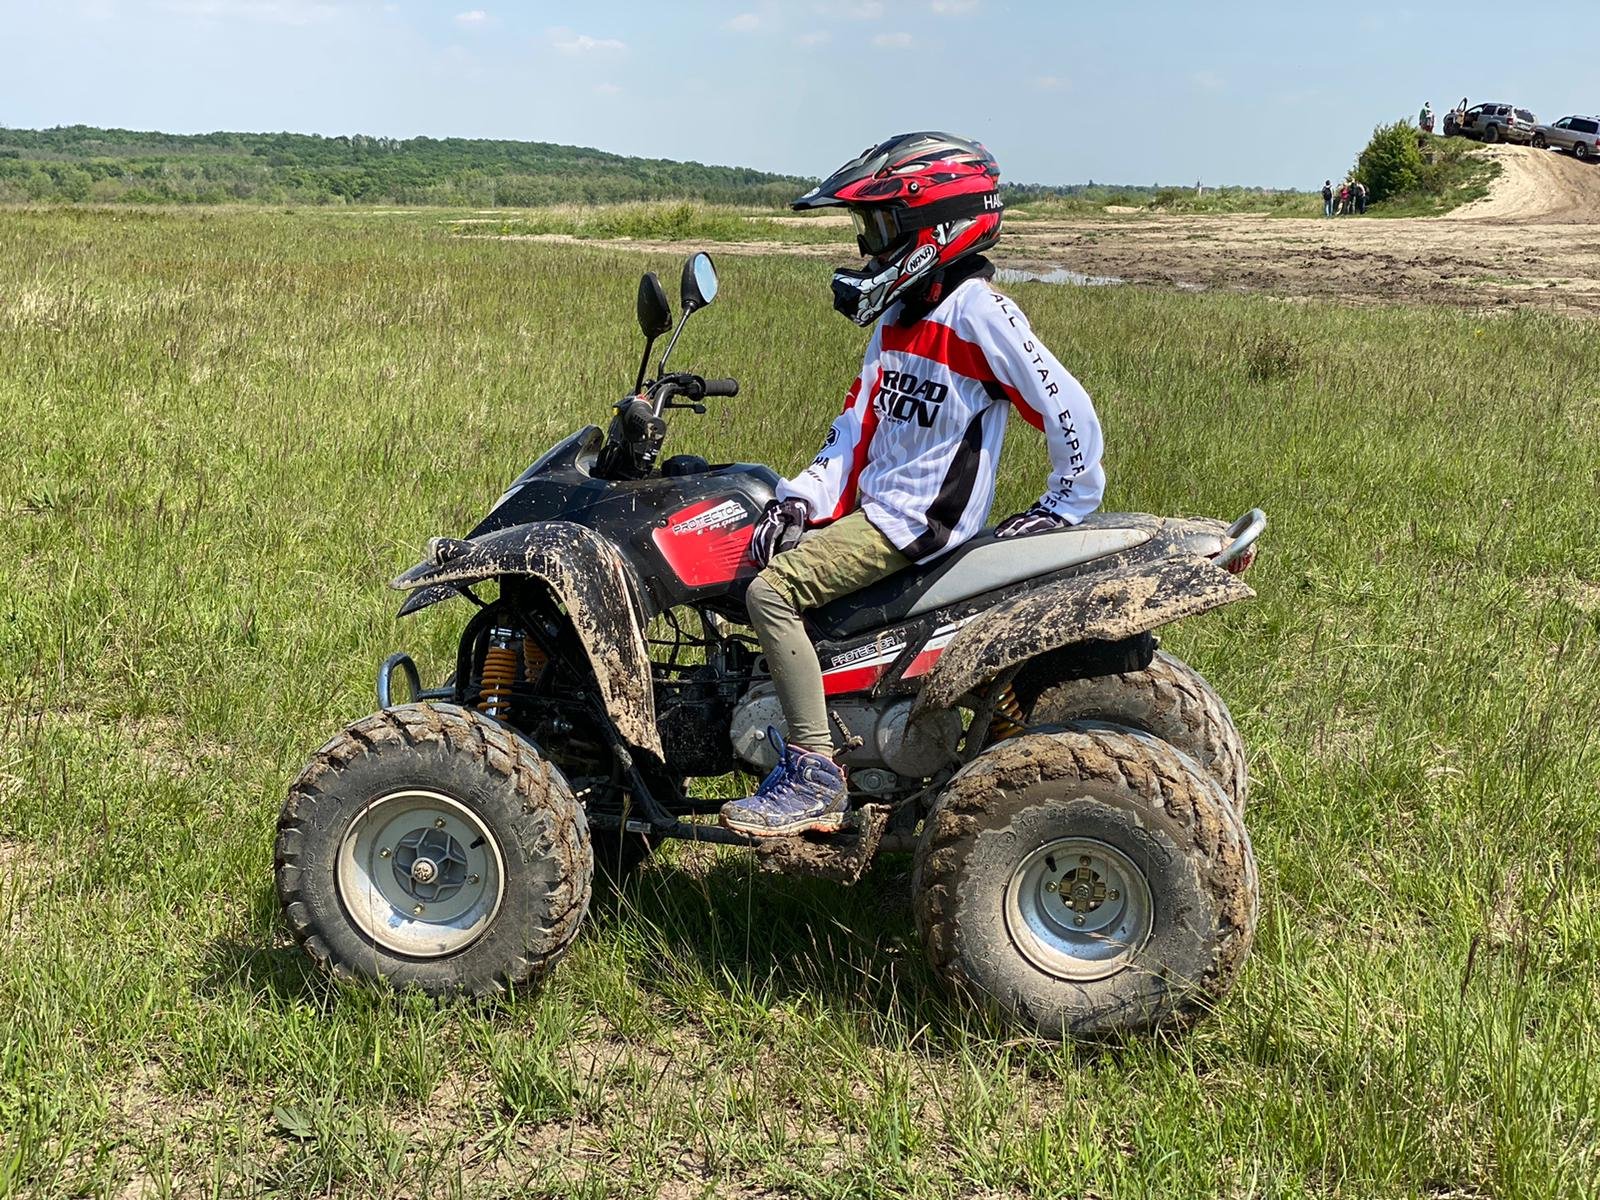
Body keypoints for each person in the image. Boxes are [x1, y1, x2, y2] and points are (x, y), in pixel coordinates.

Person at [718, 131, 1106, 837]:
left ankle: (813, 772)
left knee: (769, 595)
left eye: (879, 229)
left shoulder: (978, 313)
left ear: (935, 228)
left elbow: (1066, 406)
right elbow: (853, 431)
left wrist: (1065, 503)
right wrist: (799, 500)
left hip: (915, 523)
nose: (868, 250)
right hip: (881, 511)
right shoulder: (899, 320)